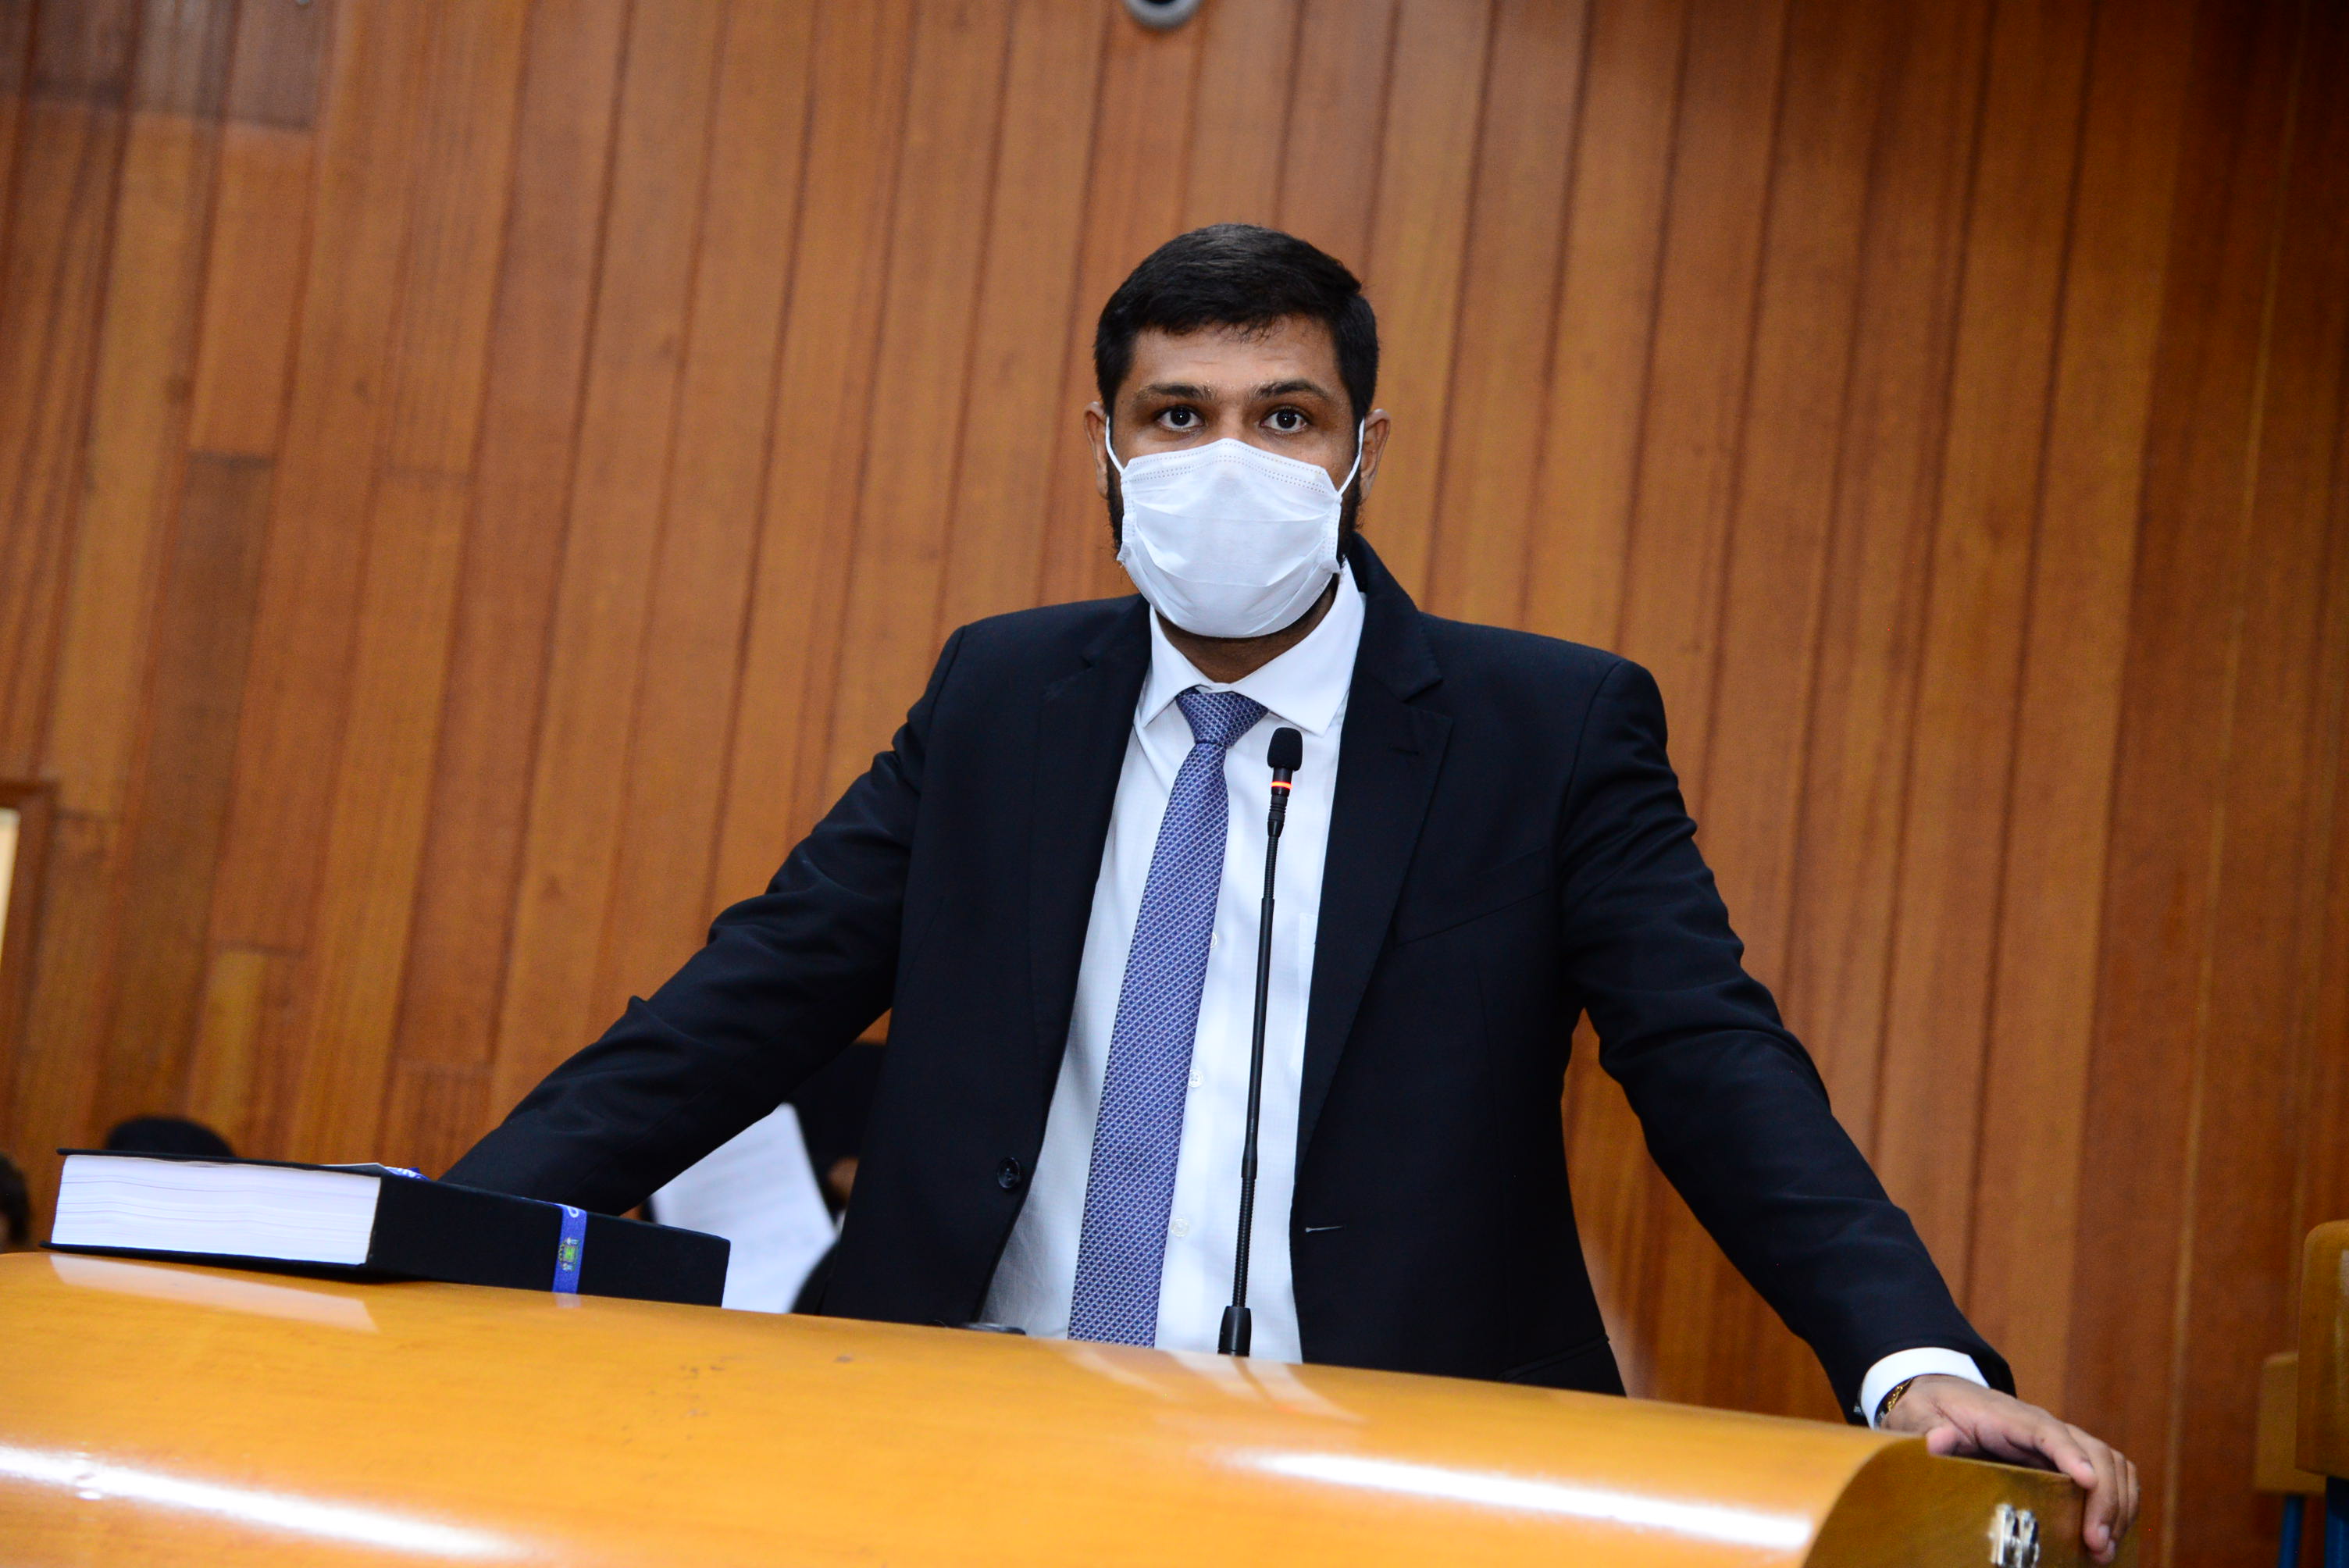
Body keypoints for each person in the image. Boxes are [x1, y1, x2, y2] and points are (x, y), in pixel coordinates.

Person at [448, 225, 2137, 1558]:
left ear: (1361, 450)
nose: (1228, 459)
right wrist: (435, 1232)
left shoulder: (1544, 728)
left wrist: (1913, 1363)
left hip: (1385, 1467)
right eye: (1177, 416)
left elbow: (1711, 1057)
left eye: (1285, 416)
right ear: (1105, 447)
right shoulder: (1000, 697)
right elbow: (749, 999)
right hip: (961, 1440)